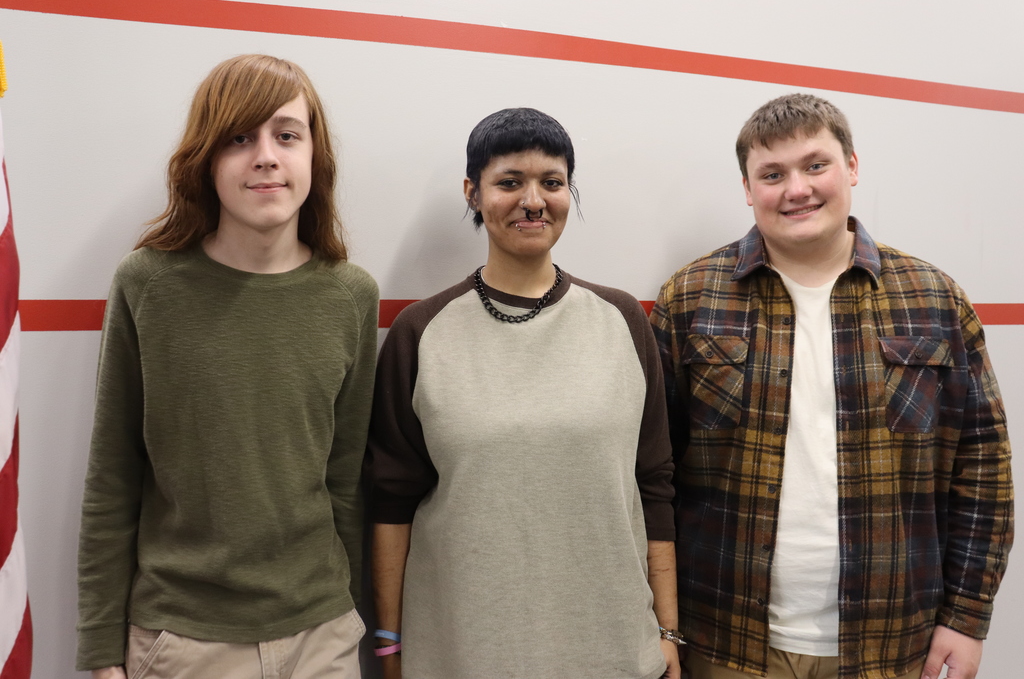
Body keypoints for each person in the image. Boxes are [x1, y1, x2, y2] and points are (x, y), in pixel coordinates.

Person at [651, 93, 1013, 679]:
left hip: (893, 646)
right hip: (723, 643)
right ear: (748, 189)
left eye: (815, 165)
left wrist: (967, 616)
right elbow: (654, 477)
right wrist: (661, 624)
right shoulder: (690, 300)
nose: (796, 189)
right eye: (773, 174)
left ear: (851, 167)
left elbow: (983, 468)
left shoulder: (934, 299)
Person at [76, 54, 378, 678]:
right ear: (206, 159)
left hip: (322, 635)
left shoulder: (351, 295)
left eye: (286, 135)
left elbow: (345, 480)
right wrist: (101, 651)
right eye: (240, 138)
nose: (266, 156)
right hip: (183, 640)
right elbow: (113, 477)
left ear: (314, 157)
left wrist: (357, 624)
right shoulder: (148, 285)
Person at [366, 107, 681, 679]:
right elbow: (391, 502)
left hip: (612, 652)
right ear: (473, 192)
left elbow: (653, 485)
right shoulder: (419, 332)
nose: (533, 200)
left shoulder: (624, 321)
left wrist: (666, 631)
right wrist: (389, 644)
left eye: (552, 183)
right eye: (510, 182)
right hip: (461, 653)